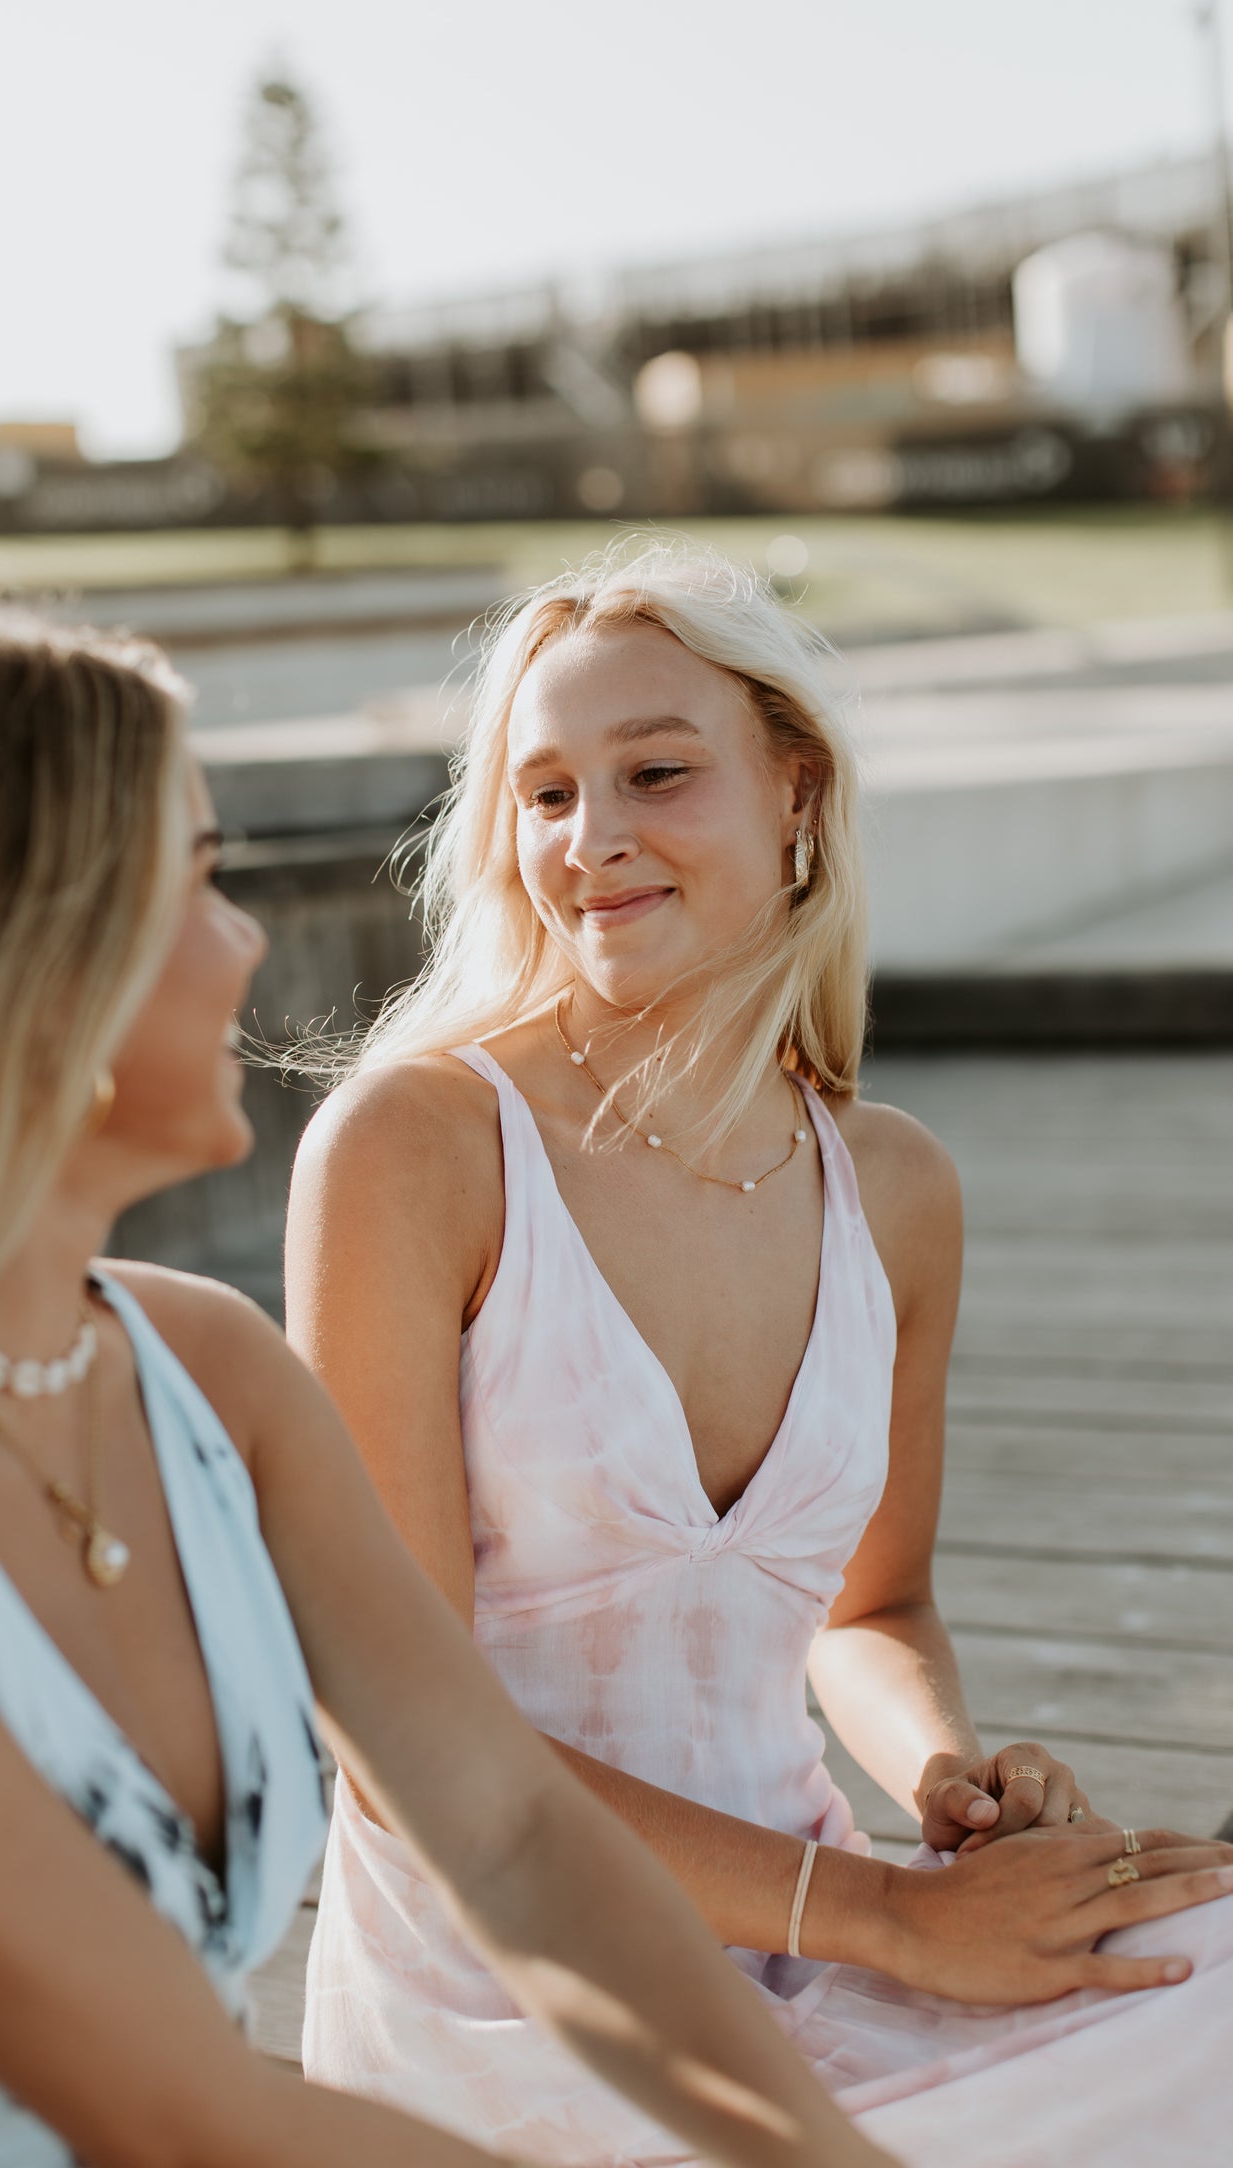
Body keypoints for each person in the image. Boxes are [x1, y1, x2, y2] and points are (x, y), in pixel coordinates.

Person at [0, 576, 898, 2168]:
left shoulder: (209, 1370)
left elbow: (511, 1833)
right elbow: (180, 2111)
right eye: (201, 878)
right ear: (25, 954)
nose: (249, 943)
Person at [286, 536, 1233, 2167]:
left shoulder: (894, 1185)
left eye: (656, 773)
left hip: (826, 1933)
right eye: (545, 794)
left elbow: (871, 1606)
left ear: (796, 791)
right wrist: (890, 1916)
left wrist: (948, 1782)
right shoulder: (418, 1146)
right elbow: (402, 1755)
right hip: (519, 1996)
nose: (591, 841)